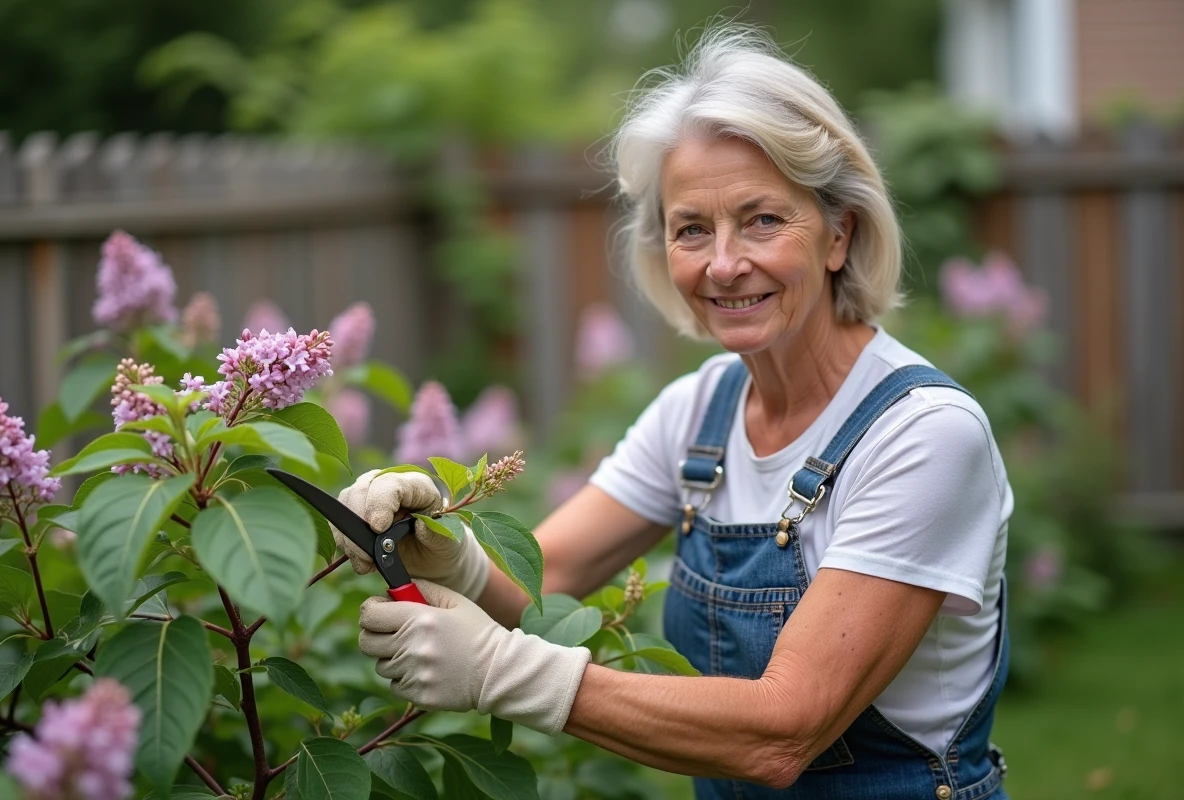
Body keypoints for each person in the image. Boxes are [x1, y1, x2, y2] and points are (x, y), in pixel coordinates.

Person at [340, 25, 1011, 800]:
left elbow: (787, 728)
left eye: (762, 219)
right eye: (692, 228)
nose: (724, 264)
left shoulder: (923, 435)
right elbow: (547, 579)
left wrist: (500, 670)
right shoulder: (697, 411)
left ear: (838, 234)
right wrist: (444, 553)